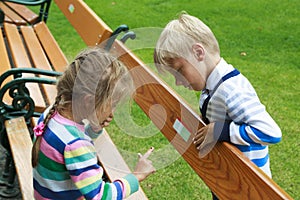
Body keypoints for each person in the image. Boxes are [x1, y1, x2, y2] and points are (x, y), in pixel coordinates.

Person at [154, 12, 282, 199]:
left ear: (199, 53)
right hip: (229, 179)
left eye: (180, 71)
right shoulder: (212, 87)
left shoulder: (230, 90)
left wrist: (221, 131)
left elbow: (270, 132)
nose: (179, 82)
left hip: (248, 188)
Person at [31, 47, 156, 199]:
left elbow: (68, 148)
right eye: (113, 103)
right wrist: (137, 176)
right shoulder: (76, 144)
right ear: (88, 101)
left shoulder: (52, 112)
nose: (113, 111)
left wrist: (94, 128)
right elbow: (100, 196)